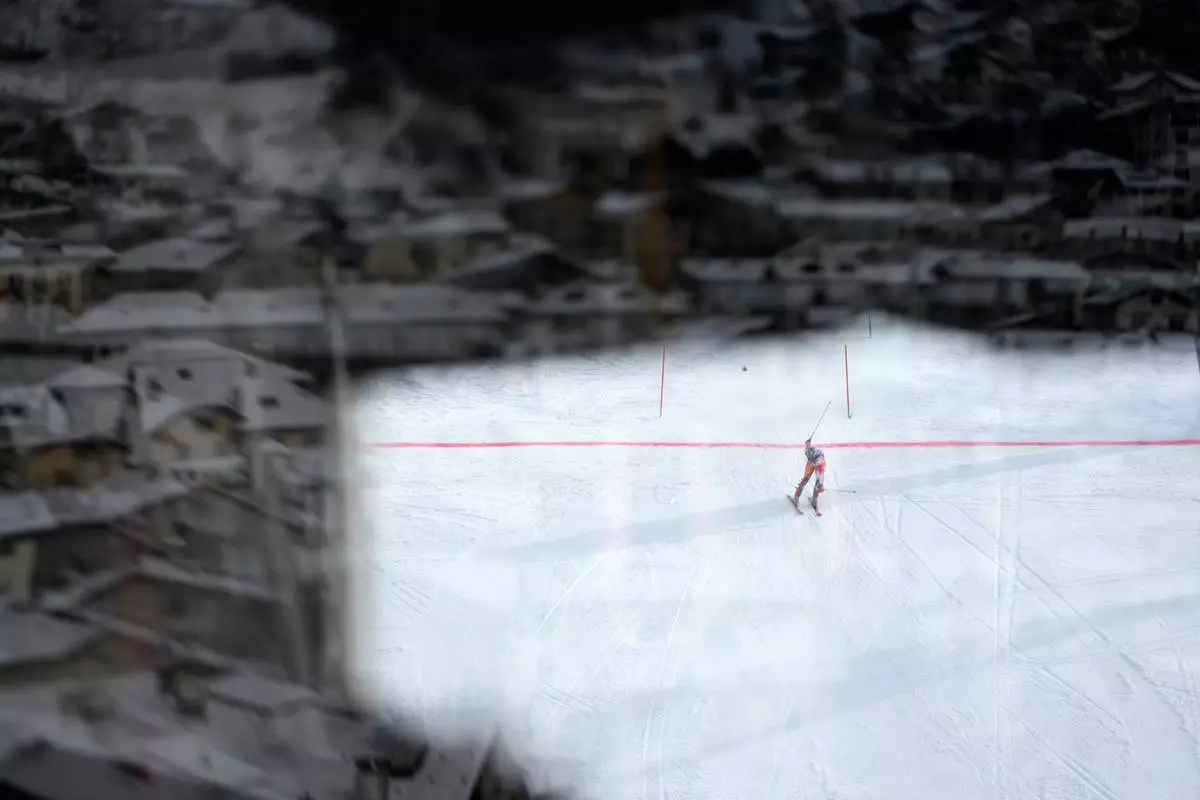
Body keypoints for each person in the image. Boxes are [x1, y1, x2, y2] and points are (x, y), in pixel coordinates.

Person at [791, 439, 826, 513]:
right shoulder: (811, 452)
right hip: (812, 463)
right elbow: (807, 449)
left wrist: (820, 485)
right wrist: (807, 444)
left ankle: (814, 500)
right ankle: (796, 497)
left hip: (818, 465)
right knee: (805, 479)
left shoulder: (820, 465)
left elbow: (821, 477)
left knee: (818, 483)